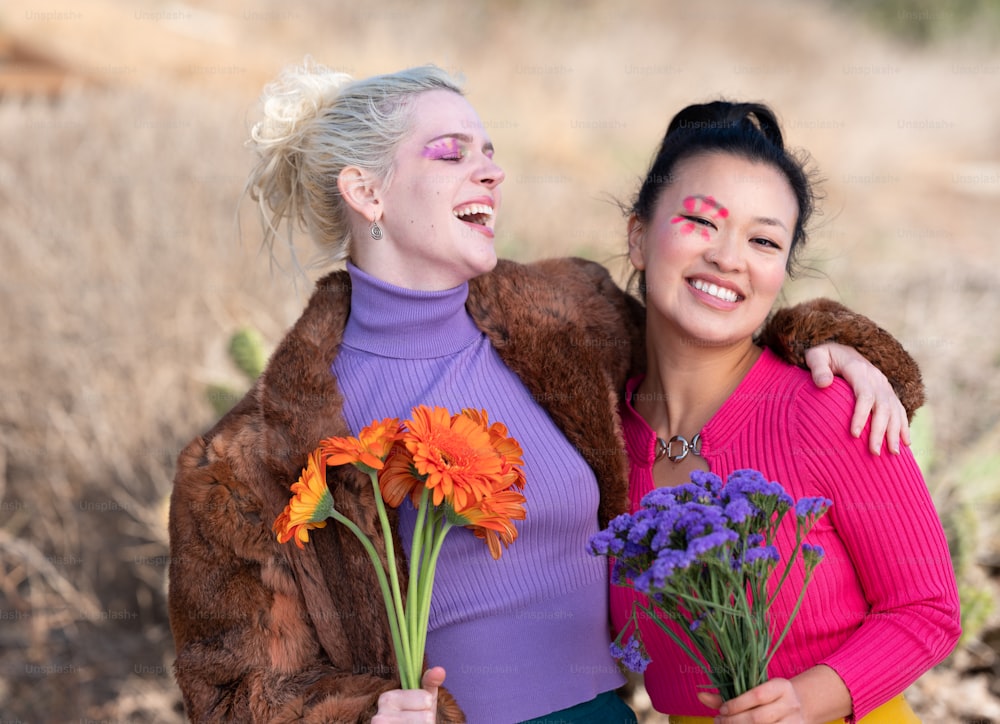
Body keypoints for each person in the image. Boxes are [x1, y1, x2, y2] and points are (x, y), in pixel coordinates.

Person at [167, 62, 919, 723]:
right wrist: (360, 719)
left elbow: (705, 329)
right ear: (366, 192)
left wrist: (830, 343)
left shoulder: (565, 323)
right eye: (451, 153)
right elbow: (232, 691)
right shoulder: (247, 458)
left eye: (491, 154)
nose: (490, 171)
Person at [611, 100, 961, 723]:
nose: (728, 257)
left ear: (781, 270)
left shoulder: (830, 408)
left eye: (763, 239)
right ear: (638, 236)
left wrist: (807, 699)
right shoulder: (598, 434)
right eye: (700, 221)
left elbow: (927, 607)